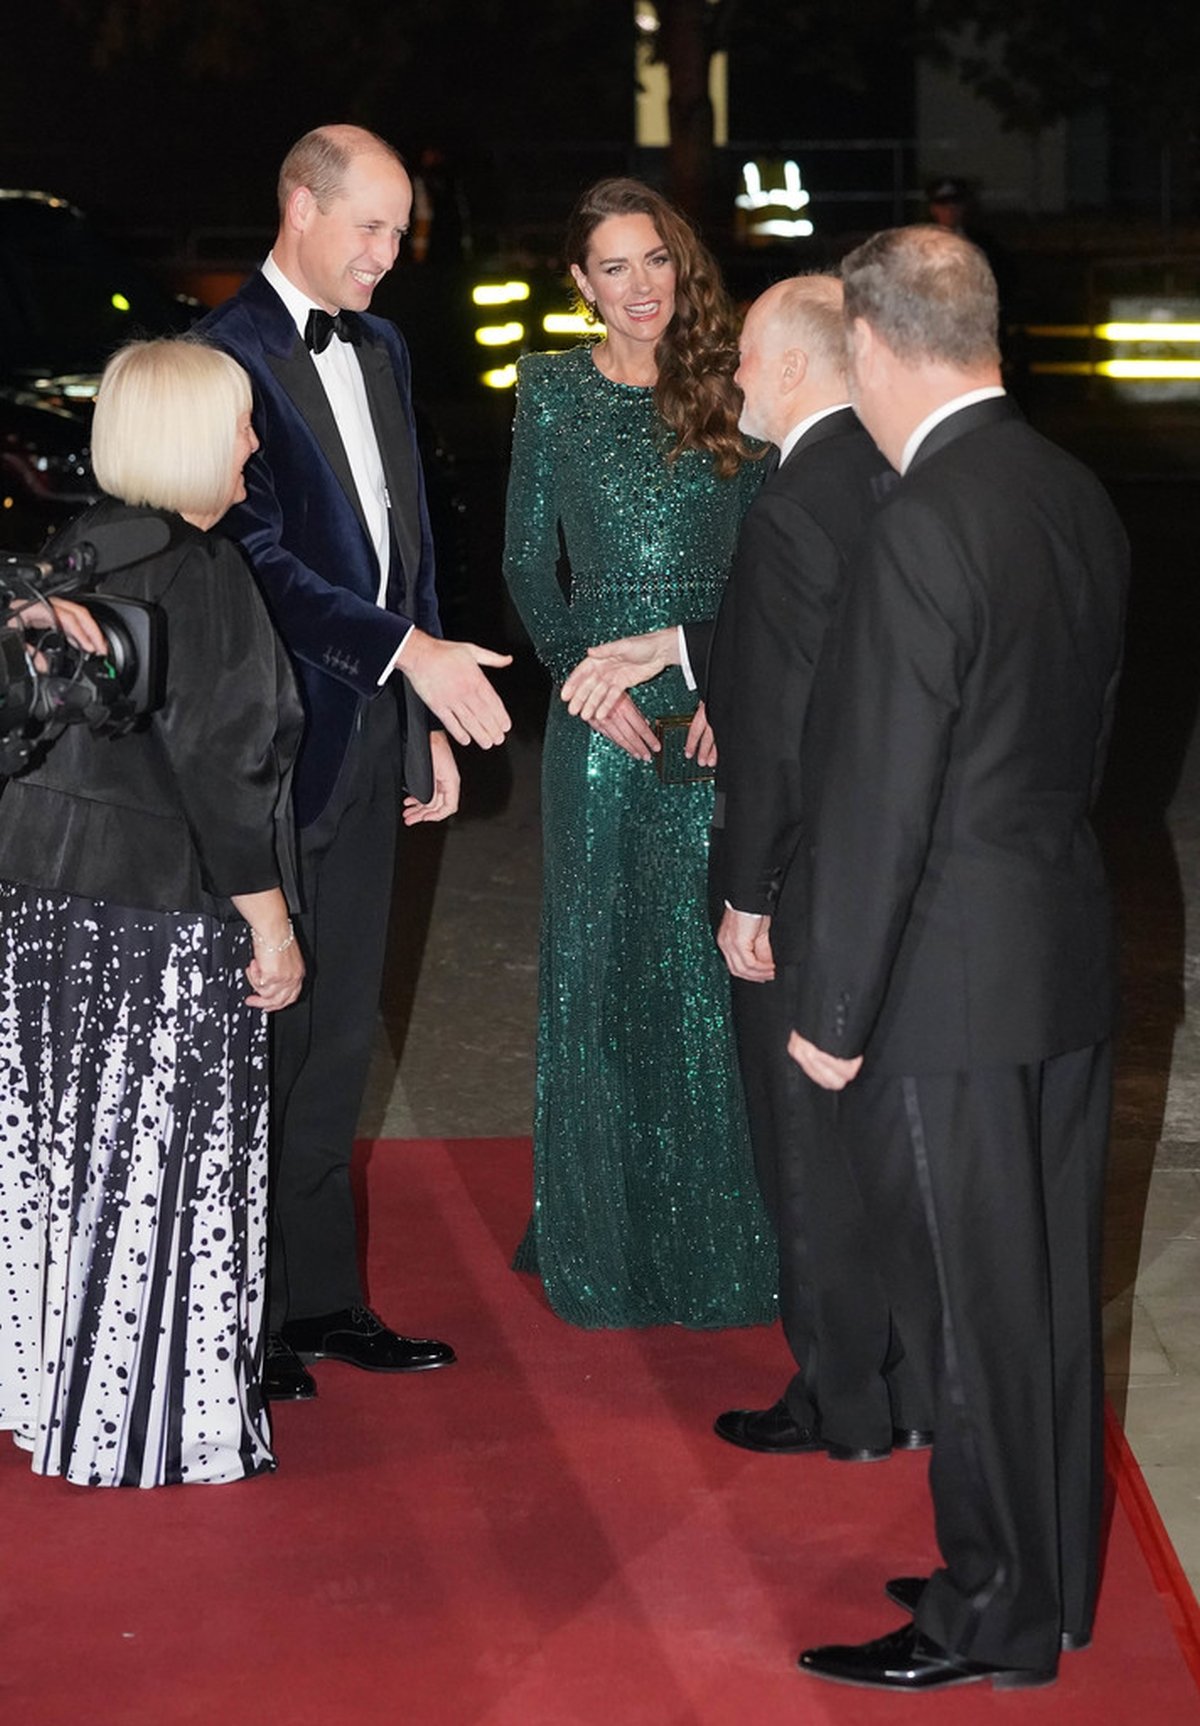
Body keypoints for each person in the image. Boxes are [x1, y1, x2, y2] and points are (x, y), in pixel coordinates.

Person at [786, 226, 1128, 1690]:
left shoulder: (922, 519)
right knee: (1041, 1297)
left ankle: (990, 1614)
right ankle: (1048, 1573)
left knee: (970, 1313)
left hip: (942, 983)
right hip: (1057, 948)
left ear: (870, 342)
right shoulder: (1071, 490)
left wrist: (833, 1007)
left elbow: (882, 791)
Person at [567, 275, 935, 1455]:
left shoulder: (790, 498)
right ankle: (913, 1380)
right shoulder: (892, 472)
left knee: (804, 1149)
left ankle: (843, 1398)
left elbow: (774, 731)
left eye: (743, 364)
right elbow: (831, 635)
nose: (727, 381)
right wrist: (683, 643)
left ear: (785, 368)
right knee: (883, 1137)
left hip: (812, 874)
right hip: (902, 867)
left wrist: (745, 893)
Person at [199, 125, 512, 1402]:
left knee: (338, 1040)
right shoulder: (224, 357)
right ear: (299, 207)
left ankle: (323, 1300)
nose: (391, 256)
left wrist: (420, 708)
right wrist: (411, 656)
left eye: (402, 231)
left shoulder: (379, 344)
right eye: (371, 229)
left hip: (378, 728)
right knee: (259, 1041)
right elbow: (260, 560)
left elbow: (408, 542)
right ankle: (241, 1317)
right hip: (272, 751)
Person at [0, 337, 304, 1487]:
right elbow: (223, 777)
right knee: (156, 1165)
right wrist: (272, 928)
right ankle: (142, 1420)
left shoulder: (68, 553)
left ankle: (43, 1387)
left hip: (35, 893)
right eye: (238, 423)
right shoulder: (204, 572)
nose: (254, 443)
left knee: (61, 1150)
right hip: (154, 916)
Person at [503, 176, 775, 1329]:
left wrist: (733, 682)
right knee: (600, 965)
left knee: (707, 972)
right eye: (614, 267)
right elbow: (527, 562)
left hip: (714, 703)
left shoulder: (737, 385)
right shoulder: (552, 389)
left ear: (683, 263)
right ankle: (601, 1239)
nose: (641, 287)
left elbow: (779, 562)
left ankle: (719, 1245)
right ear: (580, 283)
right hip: (594, 718)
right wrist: (579, 678)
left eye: (656, 260)